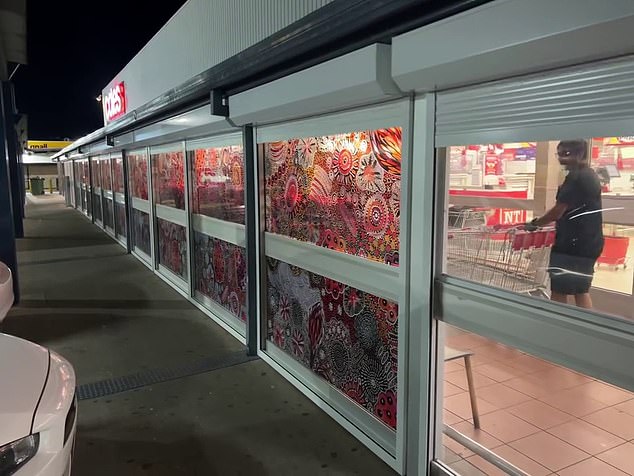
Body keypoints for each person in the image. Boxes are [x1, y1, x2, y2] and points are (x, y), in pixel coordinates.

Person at [527, 139, 604, 309]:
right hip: (589, 242)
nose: (561, 158)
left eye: (566, 154)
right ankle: (586, 328)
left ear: (580, 154)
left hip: (573, 245)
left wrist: (535, 224)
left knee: (559, 289)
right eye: (559, 154)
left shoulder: (576, 178)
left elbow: (559, 210)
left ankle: (557, 327)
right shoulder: (590, 175)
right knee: (580, 289)